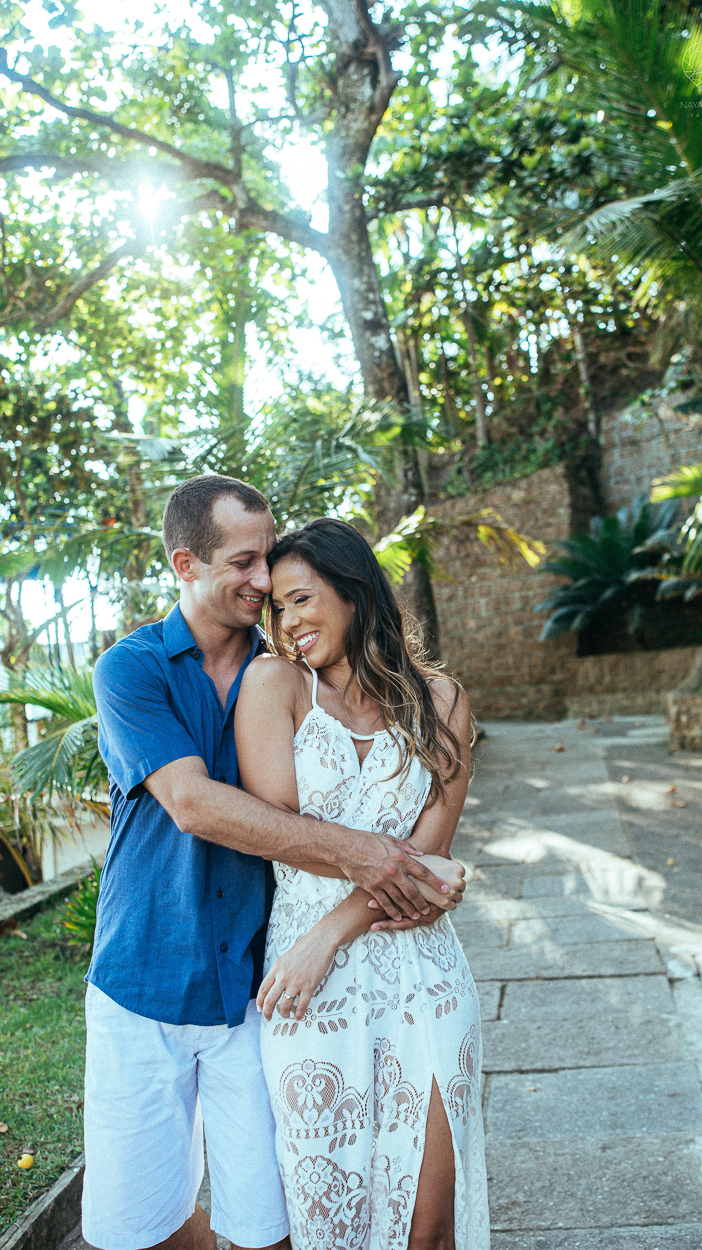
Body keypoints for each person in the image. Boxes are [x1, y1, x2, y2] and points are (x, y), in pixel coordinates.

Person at [85, 476, 464, 1250]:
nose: (266, 586)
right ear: (186, 564)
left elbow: (420, 806)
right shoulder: (134, 670)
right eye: (246, 564)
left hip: (257, 985)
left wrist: (375, 886)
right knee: (138, 1227)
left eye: (277, 570)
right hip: (146, 974)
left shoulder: (289, 671)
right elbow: (194, 804)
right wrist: (374, 859)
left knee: (270, 1227)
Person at [235, 518, 490, 1250]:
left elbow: (431, 848)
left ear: (353, 592)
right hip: (309, 999)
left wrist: (328, 935)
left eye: (302, 599)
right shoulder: (275, 686)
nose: (288, 623)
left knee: (428, 1223)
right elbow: (283, 834)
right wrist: (411, 877)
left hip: (424, 980)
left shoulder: (443, 702)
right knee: (328, 1222)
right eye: (278, 608)